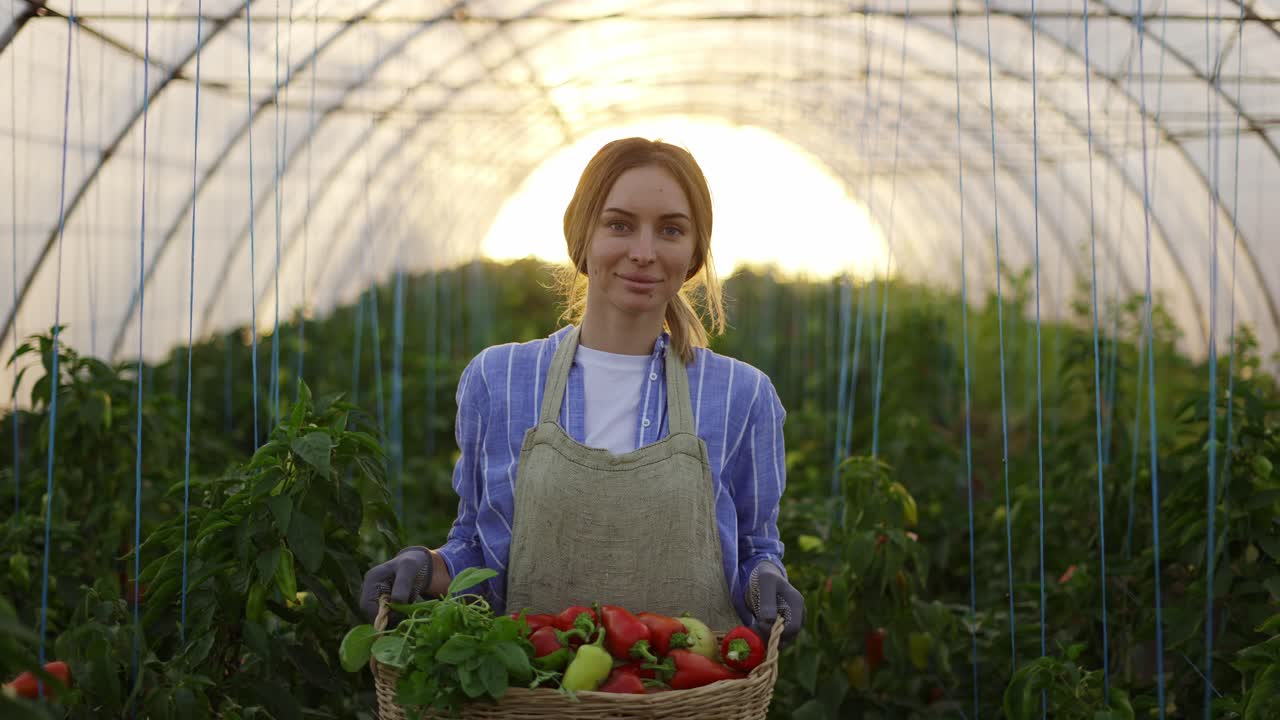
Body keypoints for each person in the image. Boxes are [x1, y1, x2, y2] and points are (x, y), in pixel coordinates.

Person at [360, 137, 804, 645]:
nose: (643, 252)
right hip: (539, 688)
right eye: (619, 224)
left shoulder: (742, 395)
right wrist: (425, 565)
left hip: (689, 689)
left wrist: (766, 582)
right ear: (581, 236)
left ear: (694, 254)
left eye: (671, 230)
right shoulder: (499, 379)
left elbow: (753, 548)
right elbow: (481, 552)